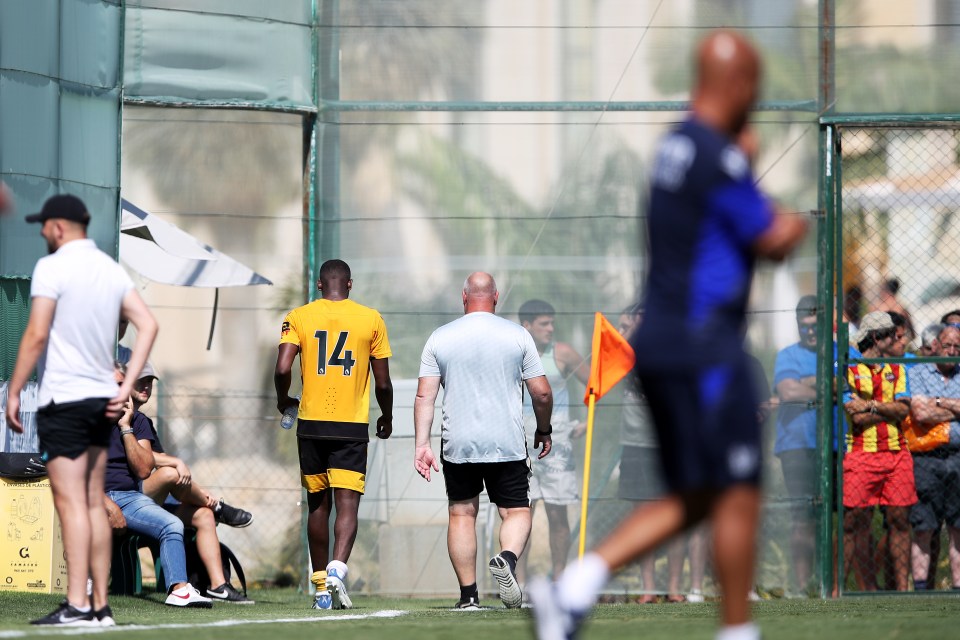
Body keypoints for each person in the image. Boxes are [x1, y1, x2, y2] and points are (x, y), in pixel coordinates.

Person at [530, 30, 807, 640]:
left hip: (661, 343)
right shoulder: (718, 155)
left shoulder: (673, 148)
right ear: (734, 85)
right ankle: (737, 630)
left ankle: (576, 588)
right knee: (737, 487)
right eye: (754, 89)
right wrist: (790, 218)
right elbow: (774, 240)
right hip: (703, 345)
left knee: (703, 491)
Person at [5, 194, 158, 626]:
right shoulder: (110, 270)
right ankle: (100, 607)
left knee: (72, 503)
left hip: (66, 400)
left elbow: (36, 333)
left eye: (43, 225)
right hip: (99, 402)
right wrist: (126, 383)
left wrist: (14, 391)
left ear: (58, 226)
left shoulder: (53, 267)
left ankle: (77, 604)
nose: (40, 232)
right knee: (92, 502)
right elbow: (149, 324)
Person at [413, 272, 553, 609]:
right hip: (505, 442)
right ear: (496, 297)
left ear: (464, 297)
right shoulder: (517, 335)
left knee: (462, 514)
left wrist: (422, 445)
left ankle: (468, 597)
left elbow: (424, 397)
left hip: (457, 442)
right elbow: (543, 392)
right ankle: (506, 558)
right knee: (516, 511)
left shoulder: (439, 338)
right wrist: (544, 429)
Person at [274, 259, 394, 610]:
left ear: (319, 285)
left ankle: (321, 586)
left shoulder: (298, 317)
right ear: (350, 284)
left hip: (311, 423)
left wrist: (284, 400)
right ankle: (338, 572)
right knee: (347, 504)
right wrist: (386, 415)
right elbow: (383, 382)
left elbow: (282, 367)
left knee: (317, 504)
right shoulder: (371, 318)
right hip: (351, 425)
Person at [131, 363, 253, 603]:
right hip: (127, 498)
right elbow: (141, 460)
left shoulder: (143, 421)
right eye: (140, 380)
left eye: (150, 381)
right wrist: (176, 461)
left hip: (150, 500)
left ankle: (219, 586)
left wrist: (173, 464)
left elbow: (151, 460)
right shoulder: (116, 418)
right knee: (170, 474)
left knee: (204, 516)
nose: (146, 386)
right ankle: (219, 506)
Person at [105, 364, 212, 608]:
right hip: (95, 497)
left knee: (172, 524)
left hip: (130, 497)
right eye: (113, 385)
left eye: (122, 385)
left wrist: (125, 428)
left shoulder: (138, 421)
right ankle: (85, 586)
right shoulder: (86, 421)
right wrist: (106, 504)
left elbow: (143, 469)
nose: (119, 391)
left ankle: (179, 590)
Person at [614, 304, 687, 604]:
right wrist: (632, 330)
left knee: (676, 516)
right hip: (635, 444)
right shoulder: (625, 349)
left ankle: (674, 587)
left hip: (670, 443)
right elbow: (617, 362)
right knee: (641, 517)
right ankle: (648, 589)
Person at [842, 311, 917, 592]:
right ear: (876, 337)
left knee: (900, 520)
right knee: (853, 522)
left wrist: (871, 405)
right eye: (893, 335)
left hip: (897, 453)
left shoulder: (897, 367)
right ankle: (837, 590)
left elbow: (903, 409)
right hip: (862, 454)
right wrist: (888, 410)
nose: (899, 340)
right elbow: (857, 418)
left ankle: (902, 590)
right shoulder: (849, 367)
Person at [517, 299, 590, 582]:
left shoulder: (564, 354)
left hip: (557, 440)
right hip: (520, 440)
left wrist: (585, 422)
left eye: (552, 322)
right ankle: (519, 584)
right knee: (521, 514)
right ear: (527, 326)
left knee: (558, 514)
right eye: (544, 323)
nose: (551, 328)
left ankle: (560, 580)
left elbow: (595, 387)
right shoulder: (515, 354)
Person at [906, 324, 960, 591]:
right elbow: (921, 414)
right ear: (936, 345)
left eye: (957, 347)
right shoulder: (917, 373)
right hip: (926, 459)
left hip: (958, 456)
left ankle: (958, 588)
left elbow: (929, 409)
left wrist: (936, 401)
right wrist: (953, 406)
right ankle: (920, 587)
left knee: (957, 528)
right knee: (924, 527)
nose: (951, 352)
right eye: (947, 345)